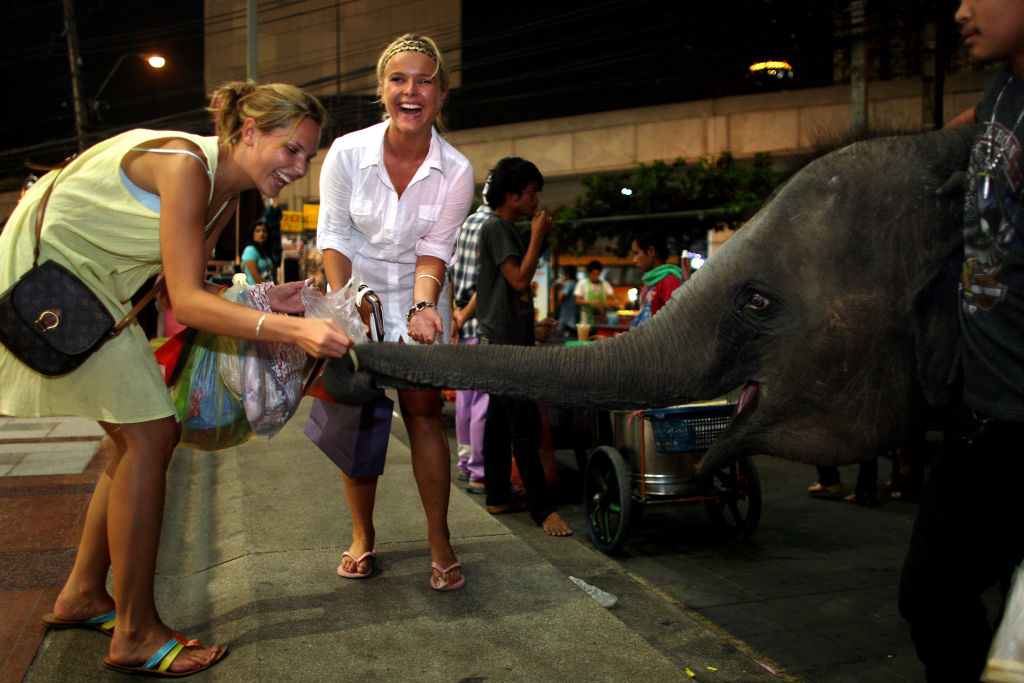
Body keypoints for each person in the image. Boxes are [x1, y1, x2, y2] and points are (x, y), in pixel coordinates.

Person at [0, 81, 352, 677]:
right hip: (53, 283)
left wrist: (274, 296)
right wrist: (293, 332)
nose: (299, 168)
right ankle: (134, 632)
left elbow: (173, 287)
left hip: (96, 288)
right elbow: (187, 304)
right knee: (149, 435)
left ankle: (83, 593)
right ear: (247, 132)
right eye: (290, 149)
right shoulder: (188, 166)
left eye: (308, 157)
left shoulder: (221, 195)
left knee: (142, 434)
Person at [317, 33, 475, 590]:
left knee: (424, 412)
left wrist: (425, 306)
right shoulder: (347, 153)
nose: (411, 91)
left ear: (441, 93)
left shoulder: (456, 170)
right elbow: (333, 235)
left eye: (424, 80)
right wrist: (348, 304)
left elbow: (436, 250)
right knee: (358, 412)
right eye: (399, 79)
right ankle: (363, 535)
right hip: (353, 286)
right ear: (382, 89)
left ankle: (440, 538)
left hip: (419, 292)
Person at [897, 1, 1024, 680]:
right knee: (930, 594)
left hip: (1018, 422)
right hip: (978, 416)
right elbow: (977, 131)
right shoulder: (1004, 88)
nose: (961, 10)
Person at [475, 156, 572, 537]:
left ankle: (498, 494)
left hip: (503, 339)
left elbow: (505, 291)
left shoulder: (498, 228)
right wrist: (537, 236)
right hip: (504, 346)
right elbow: (518, 280)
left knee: (500, 424)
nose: (535, 201)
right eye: (530, 193)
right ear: (511, 195)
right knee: (525, 426)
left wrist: (530, 328)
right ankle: (543, 510)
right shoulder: (499, 229)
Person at [450, 198, 492, 494]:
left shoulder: (464, 224)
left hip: (459, 323)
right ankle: (480, 471)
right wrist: (466, 314)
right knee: (482, 403)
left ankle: (465, 465)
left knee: (465, 400)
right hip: (478, 323)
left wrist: (455, 315)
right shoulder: (493, 226)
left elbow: (448, 274)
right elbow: (487, 280)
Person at [629, 231, 683, 327]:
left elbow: (675, 322)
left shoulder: (670, 281)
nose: (634, 260)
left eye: (636, 253)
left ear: (651, 251)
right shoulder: (651, 281)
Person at [574, 259, 619, 326]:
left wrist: (616, 300)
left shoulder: (604, 284)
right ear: (589, 273)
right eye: (593, 274)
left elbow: (612, 294)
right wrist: (591, 302)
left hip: (601, 318)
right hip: (586, 318)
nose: (596, 276)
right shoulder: (582, 283)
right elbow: (577, 301)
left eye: (598, 274)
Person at [242, 219, 275, 284]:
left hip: (269, 289)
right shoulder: (250, 250)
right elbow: (255, 276)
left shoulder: (266, 251)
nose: (261, 234)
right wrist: (272, 289)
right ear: (252, 234)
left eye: (264, 231)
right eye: (257, 231)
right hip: (257, 291)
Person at [555, 265, 579, 337]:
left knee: (561, 333)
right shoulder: (576, 283)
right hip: (574, 312)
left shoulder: (569, 283)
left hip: (566, 313)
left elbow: (562, 296)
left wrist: (561, 287)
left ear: (567, 274)